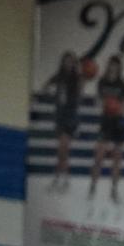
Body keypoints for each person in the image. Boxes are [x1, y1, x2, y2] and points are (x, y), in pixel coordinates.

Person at [88, 56, 124, 201]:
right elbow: (97, 101)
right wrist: (105, 104)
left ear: (119, 67)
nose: (113, 68)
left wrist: (117, 108)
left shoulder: (122, 83)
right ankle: (92, 188)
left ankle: (114, 190)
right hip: (105, 122)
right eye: (111, 65)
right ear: (108, 66)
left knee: (117, 159)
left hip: (118, 122)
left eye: (116, 66)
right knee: (99, 157)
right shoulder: (102, 82)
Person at [43, 51, 81, 192]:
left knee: (63, 150)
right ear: (63, 62)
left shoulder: (76, 78)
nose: (68, 64)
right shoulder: (59, 76)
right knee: (62, 152)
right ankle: (63, 180)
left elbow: (78, 97)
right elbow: (46, 86)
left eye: (71, 61)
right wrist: (52, 93)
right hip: (60, 117)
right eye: (66, 61)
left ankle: (59, 179)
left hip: (70, 118)